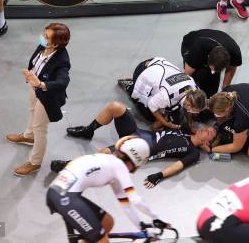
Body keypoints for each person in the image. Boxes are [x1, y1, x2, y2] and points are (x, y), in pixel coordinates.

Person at [60, 100, 216, 187]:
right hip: (138, 133)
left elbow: (178, 166)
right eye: (207, 128)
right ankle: (89, 130)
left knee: (107, 152)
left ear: (206, 142)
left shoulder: (193, 152)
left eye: (209, 133)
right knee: (116, 107)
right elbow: (157, 126)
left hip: (141, 149)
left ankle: (72, 166)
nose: (206, 129)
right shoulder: (184, 129)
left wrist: (159, 176)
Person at [46, 137, 170, 243]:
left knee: (107, 222)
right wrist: (155, 217)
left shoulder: (111, 165)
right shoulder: (119, 166)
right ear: (136, 161)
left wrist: (141, 226)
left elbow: (126, 204)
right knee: (102, 240)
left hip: (61, 193)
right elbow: (135, 200)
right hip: (64, 197)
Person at [6, 23, 71, 176]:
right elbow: (36, 62)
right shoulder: (44, 46)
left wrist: (41, 84)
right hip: (35, 87)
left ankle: (35, 162)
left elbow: (63, 82)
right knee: (31, 111)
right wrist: (30, 76)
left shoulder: (62, 60)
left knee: (40, 128)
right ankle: (29, 136)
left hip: (48, 96)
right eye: (44, 33)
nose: (42, 37)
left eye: (46, 37)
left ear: (56, 44)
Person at [116, 57, 204, 130]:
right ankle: (130, 85)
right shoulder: (168, 95)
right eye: (194, 110)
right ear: (189, 102)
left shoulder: (195, 89)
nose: (195, 112)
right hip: (142, 70)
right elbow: (152, 105)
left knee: (173, 111)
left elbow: (188, 107)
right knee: (148, 115)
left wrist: (189, 123)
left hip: (159, 64)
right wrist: (165, 123)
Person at [181, 29, 242, 97]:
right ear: (208, 56)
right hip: (190, 43)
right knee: (200, 75)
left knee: (213, 84)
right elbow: (187, 76)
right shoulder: (198, 49)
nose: (213, 71)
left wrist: (225, 91)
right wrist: (192, 96)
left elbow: (230, 71)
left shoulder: (235, 53)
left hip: (213, 42)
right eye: (212, 69)